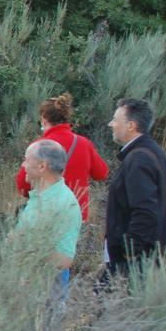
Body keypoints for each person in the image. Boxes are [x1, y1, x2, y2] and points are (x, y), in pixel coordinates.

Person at [105, 98, 166, 278]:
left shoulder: (138, 159)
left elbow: (146, 211)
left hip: (134, 261)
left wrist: (129, 251)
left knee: (108, 302)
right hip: (144, 257)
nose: (110, 124)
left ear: (131, 125)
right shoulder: (153, 152)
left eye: (115, 120)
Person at [16, 93, 109, 221]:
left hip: (46, 214)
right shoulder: (83, 143)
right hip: (76, 215)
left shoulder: (38, 146)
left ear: (43, 119)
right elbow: (102, 173)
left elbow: (22, 187)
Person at [14, 140, 83, 301]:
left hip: (44, 296)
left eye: (27, 159)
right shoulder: (39, 194)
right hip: (26, 291)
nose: (23, 165)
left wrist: (26, 247)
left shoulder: (65, 204)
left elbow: (64, 259)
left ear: (42, 166)